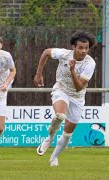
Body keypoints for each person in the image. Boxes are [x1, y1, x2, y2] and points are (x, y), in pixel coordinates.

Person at [33, 30, 96, 166]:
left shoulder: (90, 63)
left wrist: (72, 70)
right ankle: (49, 138)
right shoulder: (63, 54)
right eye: (80, 48)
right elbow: (46, 52)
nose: (84, 51)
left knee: (67, 134)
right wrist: (39, 74)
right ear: (73, 47)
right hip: (61, 89)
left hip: (78, 97)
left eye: (86, 48)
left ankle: (54, 157)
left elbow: (79, 87)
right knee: (60, 115)